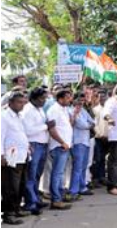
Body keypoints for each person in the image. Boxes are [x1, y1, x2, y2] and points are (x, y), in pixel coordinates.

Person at [21, 87, 53, 215]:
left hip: (42, 144)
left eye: (45, 98)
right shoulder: (28, 110)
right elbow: (28, 130)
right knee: (31, 175)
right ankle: (30, 203)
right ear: (33, 99)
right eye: (41, 98)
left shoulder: (39, 109)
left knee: (37, 175)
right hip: (34, 145)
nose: (44, 101)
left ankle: (36, 198)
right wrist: (46, 126)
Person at [1, 92, 30, 225]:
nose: (22, 105)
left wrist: (28, 147)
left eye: (23, 102)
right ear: (11, 103)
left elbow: (20, 134)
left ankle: (17, 208)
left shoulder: (19, 116)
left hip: (22, 156)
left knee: (20, 185)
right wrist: (1, 155)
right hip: (10, 158)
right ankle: (8, 214)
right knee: (10, 187)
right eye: (19, 102)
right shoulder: (4, 116)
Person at [47, 89, 73, 210]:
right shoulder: (54, 110)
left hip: (65, 145)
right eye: (67, 98)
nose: (70, 100)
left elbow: (67, 125)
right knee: (57, 174)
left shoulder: (64, 109)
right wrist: (62, 142)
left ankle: (60, 196)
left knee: (60, 173)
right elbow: (52, 130)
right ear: (60, 98)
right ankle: (56, 200)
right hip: (59, 146)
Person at [67, 92, 95, 200]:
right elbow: (82, 125)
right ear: (73, 100)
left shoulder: (83, 110)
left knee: (83, 167)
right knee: (77, 168)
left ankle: (82, 188)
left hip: (86, 141)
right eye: (79, 100)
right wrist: (89, 125)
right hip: (77, 142)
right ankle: (73, 191)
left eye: (82, 100)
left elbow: (93, 121)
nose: (81, 102)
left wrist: (89, 125)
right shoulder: (71, 110)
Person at [92, 89, 109, 188]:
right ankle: (96, 178)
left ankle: (102, 177)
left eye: (104, 97)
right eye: (100, 97)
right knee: (97, 158)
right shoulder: (95, 110)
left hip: (109, 138)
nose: (102, 98)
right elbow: (94, 125)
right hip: (99, 138)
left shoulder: (109, 109)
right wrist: (100, 134)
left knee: (104, 159)